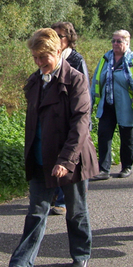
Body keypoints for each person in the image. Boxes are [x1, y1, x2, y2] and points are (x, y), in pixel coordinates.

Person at [0, 28, 97, 267]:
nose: (40, 63)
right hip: (41, 158)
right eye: (35, 58)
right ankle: (21, 266)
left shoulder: (75, 80)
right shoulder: (35, 81)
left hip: (71, 160)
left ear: (58, 51)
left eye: (44, 57)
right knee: (36, 212)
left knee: (76, 211)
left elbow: (81, 123)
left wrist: (66, 160)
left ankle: (81, 255)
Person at [90, 30, 133, 180]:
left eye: (119, 41)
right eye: (113, 41)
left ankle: (126, 167)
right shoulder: (105, 58)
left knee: (127, 138)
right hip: (107, 104)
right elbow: (95, 82)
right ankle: (103, 169)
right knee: (104, 136)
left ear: (127, 42)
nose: (115, 44)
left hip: (128, 106)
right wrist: (90, 104)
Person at [49, 22, 89, 215]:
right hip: (53, 119)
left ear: (69, 39)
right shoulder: (48, 58)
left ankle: (64, 201)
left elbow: (84, 93)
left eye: (60, 36)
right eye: (53, 35)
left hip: (70, 118)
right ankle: (56, 194)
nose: (57, 39)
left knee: (68, 158)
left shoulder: (75, 59)